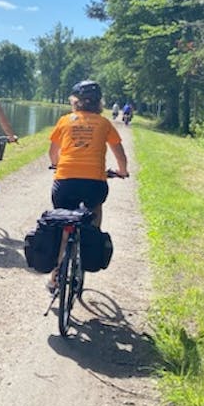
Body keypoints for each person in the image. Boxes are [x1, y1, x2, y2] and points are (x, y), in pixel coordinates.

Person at [46, 80, 128, 292]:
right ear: (99, 103)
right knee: (94, 210)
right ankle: (90, 241)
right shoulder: (104, 123)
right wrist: (122, 171)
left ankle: (55, 274)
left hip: (65, 182)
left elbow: (53, 152)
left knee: (61, 222)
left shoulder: (65, 121)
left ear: (75, 101)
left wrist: (56, 165)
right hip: (94, 184)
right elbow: (119, 152)